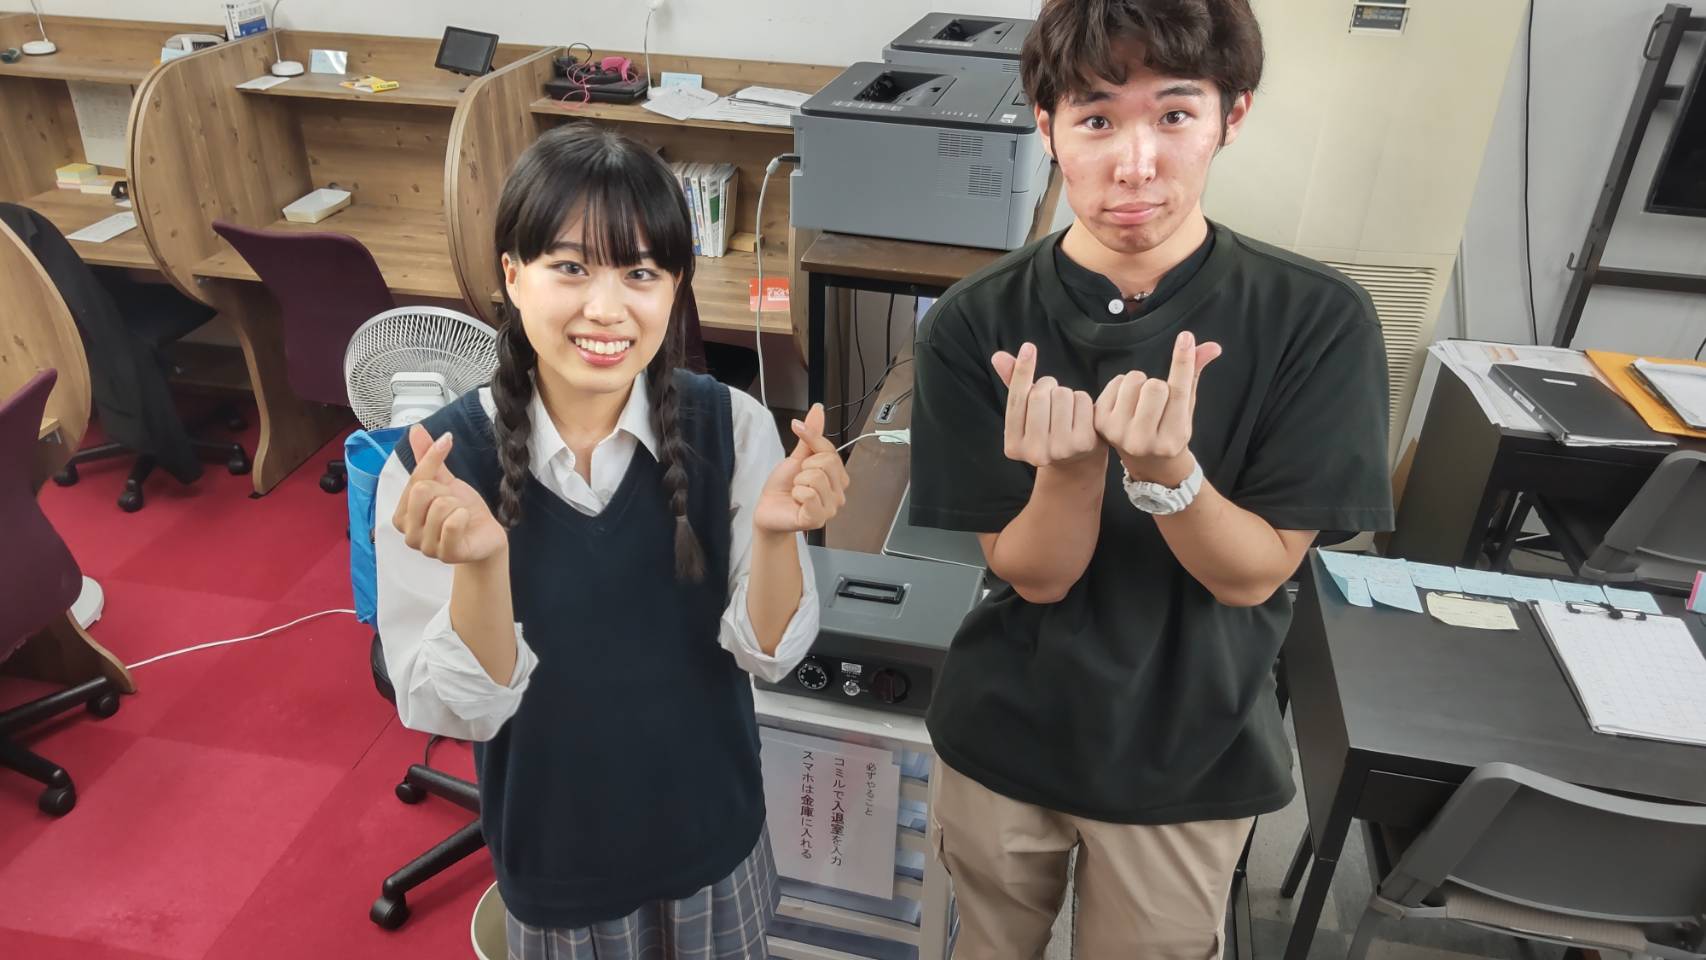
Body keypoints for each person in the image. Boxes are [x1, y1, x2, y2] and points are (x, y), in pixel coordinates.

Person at [908, 0, 1396, 956]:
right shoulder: (974, 322)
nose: (1136, 164)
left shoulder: (1317, 321)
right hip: (1005, 732)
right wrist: (1072, 474)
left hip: (1190, 755)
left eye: (1174, 114)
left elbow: (1254, 573)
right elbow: (1032, 574)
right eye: (1096, 118)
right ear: (1046, 127)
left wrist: (1168, 473)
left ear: (1231, 116)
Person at [375, 124, 849, 959]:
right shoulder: (436, 470)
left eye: (640, 273)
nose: (606, 308)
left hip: (711, 837)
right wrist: (483, 565)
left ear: (675, 288)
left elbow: (768, 655)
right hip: (559, 861)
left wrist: (779, 539)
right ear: (512, 275)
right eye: (570, 267)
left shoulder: (733, 427)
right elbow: (456, 711)